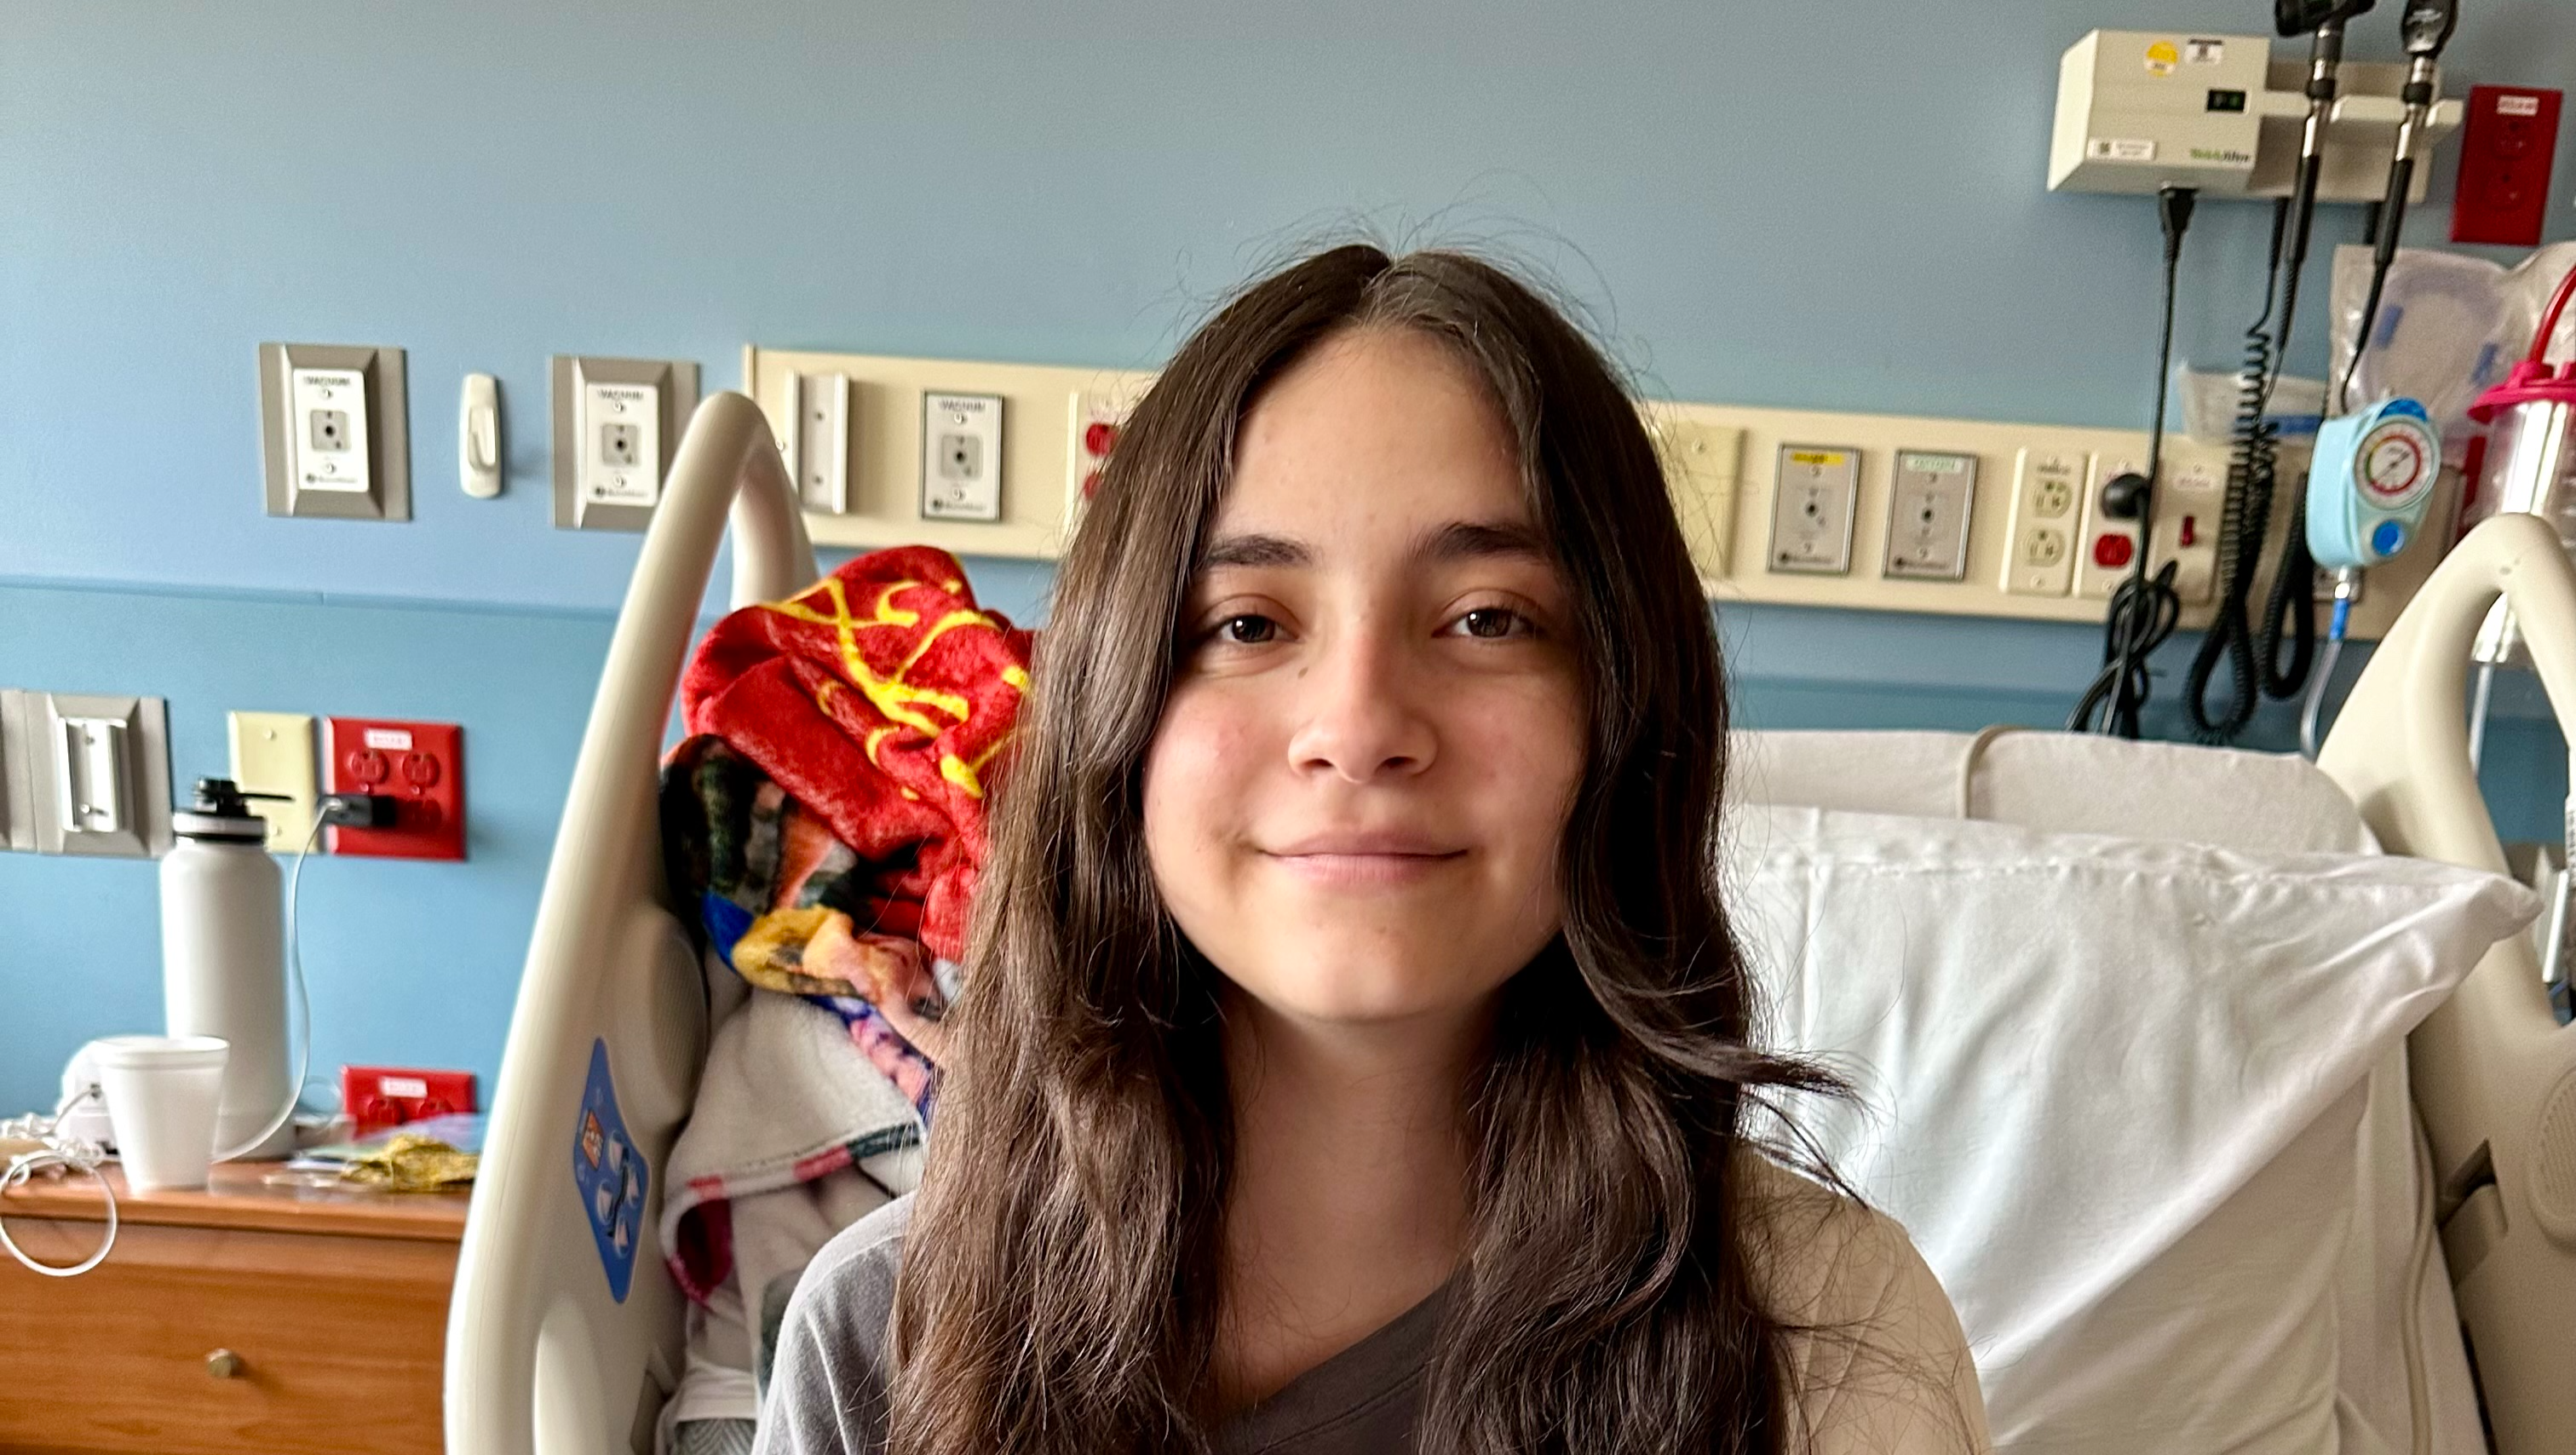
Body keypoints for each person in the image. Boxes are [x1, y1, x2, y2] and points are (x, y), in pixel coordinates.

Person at [756, 244, 1990, 1455]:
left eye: (1487, 619)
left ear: (1627, 708)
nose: (1356, 728)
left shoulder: (1824, 1345)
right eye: (1247, 624)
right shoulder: (890, 1344)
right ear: (1114, 714)